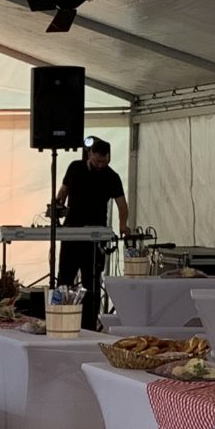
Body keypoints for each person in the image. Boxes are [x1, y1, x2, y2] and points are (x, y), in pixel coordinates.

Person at [49, 136, 128, 322]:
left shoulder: (112, 176)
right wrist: (57, 205)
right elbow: (63, 191)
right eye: (97, 161)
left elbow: (122, 204)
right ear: (89, 154)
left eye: (104, 161)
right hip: (71, 231)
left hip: (95, 235)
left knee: (91, 281)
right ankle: (58, 318)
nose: (101, 165)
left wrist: (123, 225)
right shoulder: (75, 168)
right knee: (64, 278)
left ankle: (88, 322)